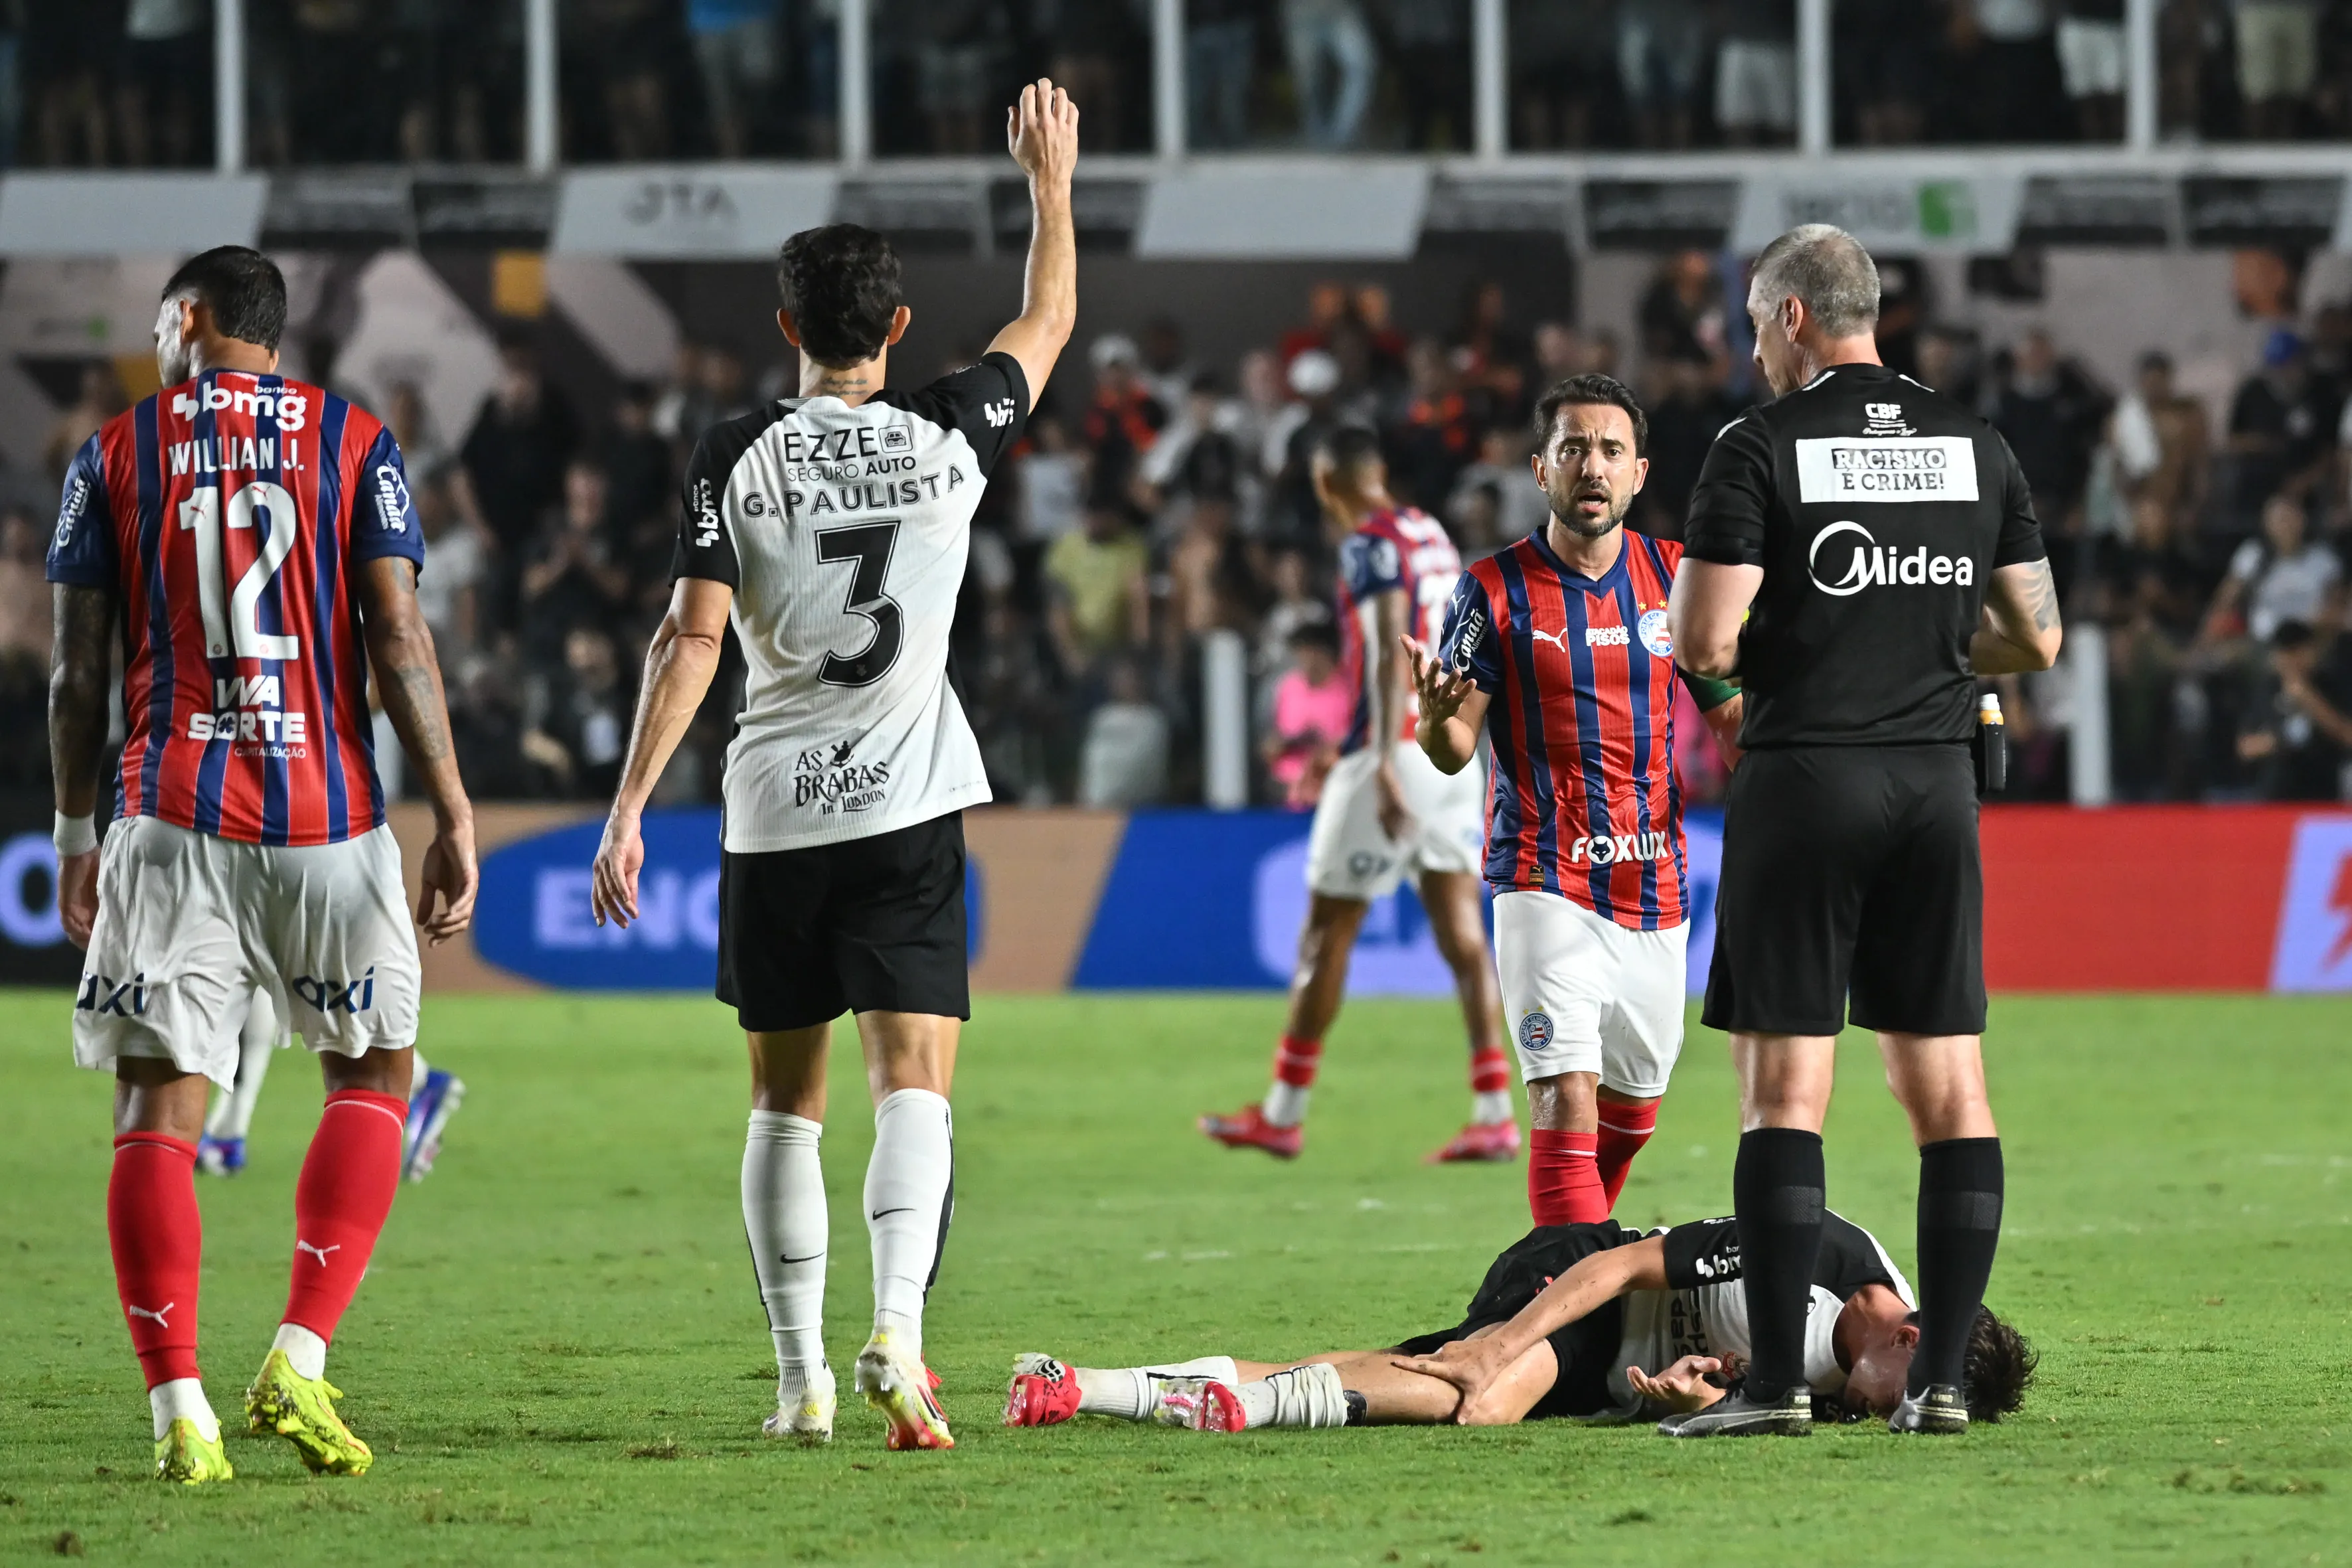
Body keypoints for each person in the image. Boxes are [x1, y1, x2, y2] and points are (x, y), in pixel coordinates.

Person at [586, 81, 1079, 1454]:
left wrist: (628, 808)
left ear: (787, 326)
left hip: (772, 815)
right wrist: (1047, 183)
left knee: (782, 1105)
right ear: (899, 329)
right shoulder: (947, 436)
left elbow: (689, 640)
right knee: (912, 1082)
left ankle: (800, 1380)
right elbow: (1045, 323)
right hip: (905, 807)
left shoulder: (732, 455)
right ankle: (898, 1339)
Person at [46, 246, 479, 1484]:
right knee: (377, 1072)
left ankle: (178, 1410)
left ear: (188, 320)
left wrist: (75, 832)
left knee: (157, 1112)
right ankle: (298, 1353)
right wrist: (450, 806)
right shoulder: (354, 439)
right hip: (326, 817)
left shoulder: (114, 452)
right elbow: (397, 632)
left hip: (170, 813)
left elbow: (80, 669)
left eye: (157, 324)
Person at [1667, 224, 2061, 1437]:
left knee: (1783, 1092)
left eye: (1753, 325)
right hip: (1936, 787)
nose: (1752, 350)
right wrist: (1921, 647)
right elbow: (2034, 635)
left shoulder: (1756, 445)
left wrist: (1810, 653)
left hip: (1806, 780)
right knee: (1949, 1089)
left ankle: (1775, 1390)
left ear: (1791, 317)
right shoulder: (1973, 442)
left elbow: (1702, 640)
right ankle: (1938, 1382)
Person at [1407, 376, 1743, 1227]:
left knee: (1631, 1116)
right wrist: (1437, 721)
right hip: (1543, 879)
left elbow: (1735, 723)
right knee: (1564, 1101)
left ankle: (1564, 1284)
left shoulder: (1676, 577)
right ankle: (1570, 1296)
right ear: (1541, 469)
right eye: (1573, 449)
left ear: (1638, 473)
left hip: (1654, 884)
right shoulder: (1492, 589)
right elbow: (1452, 749)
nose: (1593, 466)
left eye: (1611, 450)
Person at [1199, 426, 1511, 1166]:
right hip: (1450, 749)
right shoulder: (1427, 530)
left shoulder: (1368, 543)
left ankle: (1283, 1113)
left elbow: (1386, 643)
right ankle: (1495, 1112)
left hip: (1394, 751)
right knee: (1463, 935)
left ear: (1327, 483)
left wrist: (1378, 761)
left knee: (1324, 933)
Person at [1000, 1210, 2035, 1433]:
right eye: (1911, 1394)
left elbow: (1722, 1386)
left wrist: (1677, 1402)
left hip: (1608, 1369)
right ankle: (1252, 1407)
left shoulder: (1857, 1393)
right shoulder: (1810, 1250)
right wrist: (1499, 1340)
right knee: (1483, 1392)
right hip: (1574, 1280)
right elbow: (1623, 1263)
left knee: (1406, 1371)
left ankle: (1089, 1385)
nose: (1896, 1412)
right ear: (1907, 1336)